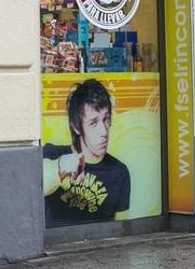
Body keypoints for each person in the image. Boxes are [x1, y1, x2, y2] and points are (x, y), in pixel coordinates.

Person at [42, 78, 131, 226]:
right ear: (76, 126)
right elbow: (33, 185)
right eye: (93, 123)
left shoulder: (119, 171)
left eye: (106, 119)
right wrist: (60, 167)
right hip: (57, 247)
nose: (104, 131)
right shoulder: (52, 154)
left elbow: (122, 229)